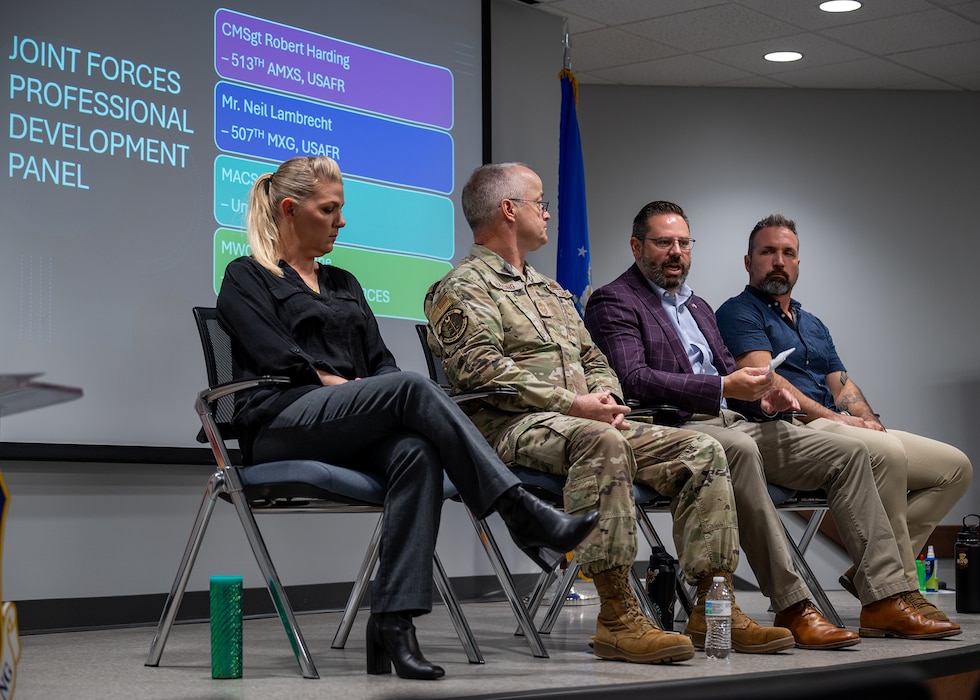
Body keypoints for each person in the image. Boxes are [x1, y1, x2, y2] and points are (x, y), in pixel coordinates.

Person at [215, 155, 599, 681]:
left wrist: (366, 392)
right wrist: (351, 388)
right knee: (410, 388)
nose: (341, 221)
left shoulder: (345, 283)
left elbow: (382, 365)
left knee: (416, 453)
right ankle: (517, 509)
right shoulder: (247, 276)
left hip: (349, 423)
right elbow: (279, 359)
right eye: (330, 209)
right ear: (289, 209)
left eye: (341, 209)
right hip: (281, 424)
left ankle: (394, 623)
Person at [424, 162, 796, 665]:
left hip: (588, 424)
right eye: (540, 202)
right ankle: (617, 615)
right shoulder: (462, 288)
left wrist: (606, 402)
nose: (547, 213)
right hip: (511, 429)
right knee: (601, 442)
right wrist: (574, 405)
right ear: (509, 211)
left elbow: (595, 360)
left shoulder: (551, 292)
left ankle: (713, 607)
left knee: (702, 449)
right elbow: (481, 371)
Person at [584, 200, 961, 645]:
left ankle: (882, 598)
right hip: (674, 426)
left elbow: (736, 378)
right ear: (636, 246)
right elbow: (634, 379)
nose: (676, 252)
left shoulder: (699, 306)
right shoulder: (615, 300)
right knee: (739, 450)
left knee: (852, 452)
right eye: (664, 242)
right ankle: (793, 604)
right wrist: (725, 388)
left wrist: (765, 401)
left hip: (734, 420)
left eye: (684, 243)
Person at [716, 213, 973, 622]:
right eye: (768, 252)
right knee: (886, 452)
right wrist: (842, 422)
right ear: (748, 262)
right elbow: (769, 381)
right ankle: (899, 590)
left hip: (837, 426)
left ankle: (868, 571)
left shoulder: (813, 323)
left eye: (788, 253)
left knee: (955, 468)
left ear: (799, 263)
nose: (779, 260)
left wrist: (866, 419)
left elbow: (843, 387)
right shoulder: (737, 313)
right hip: (794, 427)